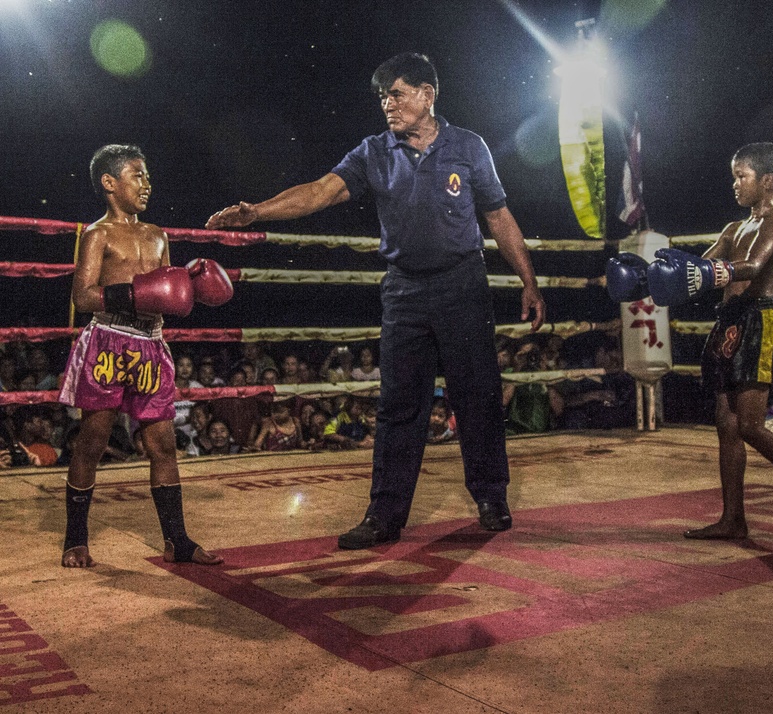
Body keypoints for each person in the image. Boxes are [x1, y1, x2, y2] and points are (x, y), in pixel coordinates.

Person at [207, 52, 544, 549]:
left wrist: (529, 283)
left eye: (398, 94)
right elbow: (320, 191)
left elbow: (498, 218)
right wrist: (257, 212)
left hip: (462, 283)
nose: (388, 104)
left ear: (428, 96)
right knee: (397, 405)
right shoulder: (373, 151)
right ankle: (385, 514)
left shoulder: (468, 147)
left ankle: (491, 496)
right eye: (384, 96)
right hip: (404, 287)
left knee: (477, 394)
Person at [631, 143, 773, 539]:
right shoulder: (733, 229)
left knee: (752, 426)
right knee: (726, 424)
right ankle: (733, 519)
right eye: (734, 176)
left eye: (743, 176)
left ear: (767, 180)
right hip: (728, 322)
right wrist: (652, 275)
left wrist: (702, 273)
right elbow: (699, 266)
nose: (735, 184)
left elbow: (752, 267)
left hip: (760, 320)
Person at [57, 144, 226, 567]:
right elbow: (82, 295)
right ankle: (76, 539)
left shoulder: (157, 235)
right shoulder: (98, 234)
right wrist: (135, 293)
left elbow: (168, 298)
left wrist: (189, 288)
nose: (146, 183)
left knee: (163, 445)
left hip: (150, 345)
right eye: (137, 175)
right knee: (93, 441)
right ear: (110, 183)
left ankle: (178, 541)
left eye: (147, 175)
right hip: (108, 344)